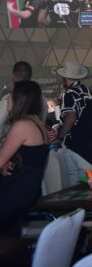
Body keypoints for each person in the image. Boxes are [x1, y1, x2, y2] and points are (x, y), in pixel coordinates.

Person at [0, 81, 49, 235]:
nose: (7, 100)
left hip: (16, 194)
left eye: (11, 96)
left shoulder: (22, 126)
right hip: (29, 190)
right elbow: (30, 159)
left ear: (20, 99)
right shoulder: (37, 122)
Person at [0, 61, 44, 140]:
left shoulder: (9, 97)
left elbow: (0, 122)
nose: (8, 101)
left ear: (13, 75)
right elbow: (43, 120)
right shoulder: (41, 98)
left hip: (12, 140)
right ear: (30, 76)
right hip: (35, 138)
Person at [53, 61, 92, 144]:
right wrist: (58, 105)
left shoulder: (68, 93)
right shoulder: (87, 90)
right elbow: (58, 117)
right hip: (89, 137)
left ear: (64, 77)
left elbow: (70, 118)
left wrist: (60, 137)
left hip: (74, 139)